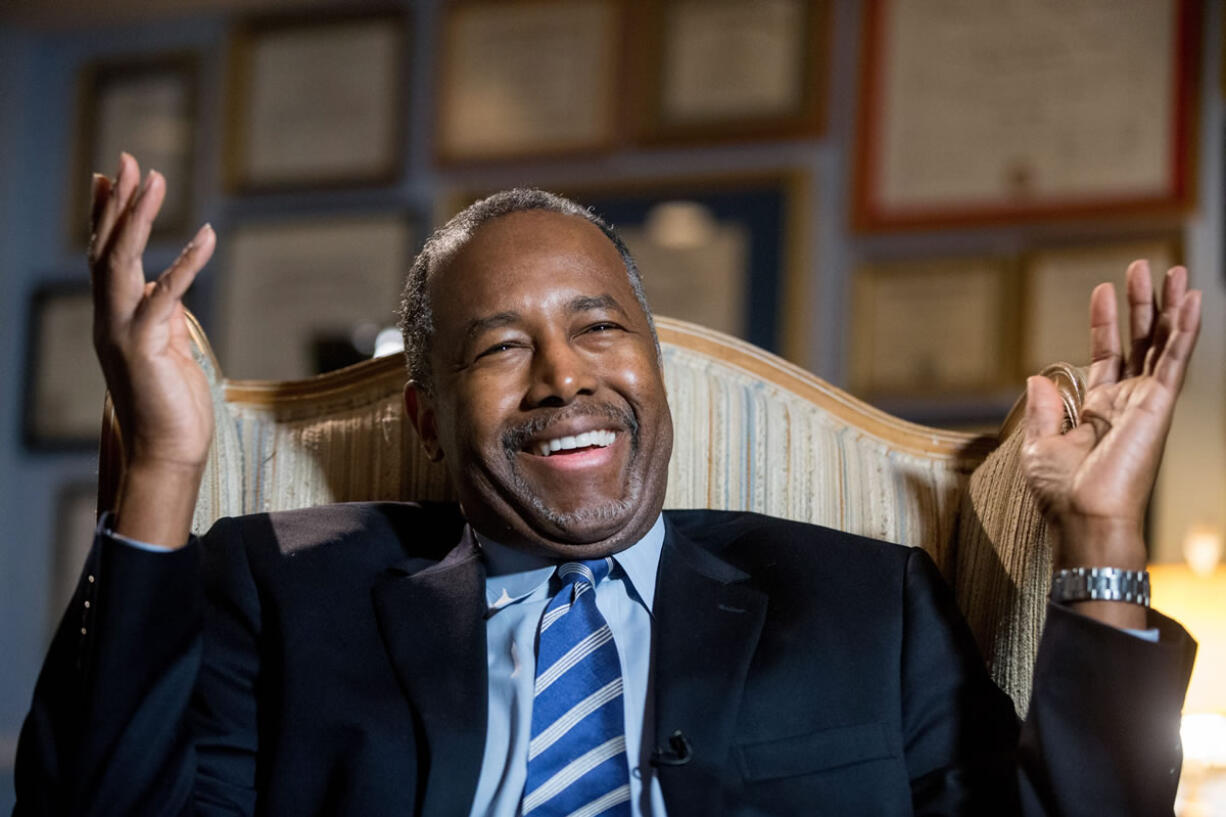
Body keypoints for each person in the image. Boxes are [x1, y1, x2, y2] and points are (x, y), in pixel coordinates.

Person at [15, 153, 1202, 817]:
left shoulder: (865, 601)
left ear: (657, 368)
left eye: (598, 329)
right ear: (425, 419)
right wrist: (164, 469)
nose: (563, 379)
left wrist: (1097, 529)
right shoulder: (284, 584)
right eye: (498, 348)